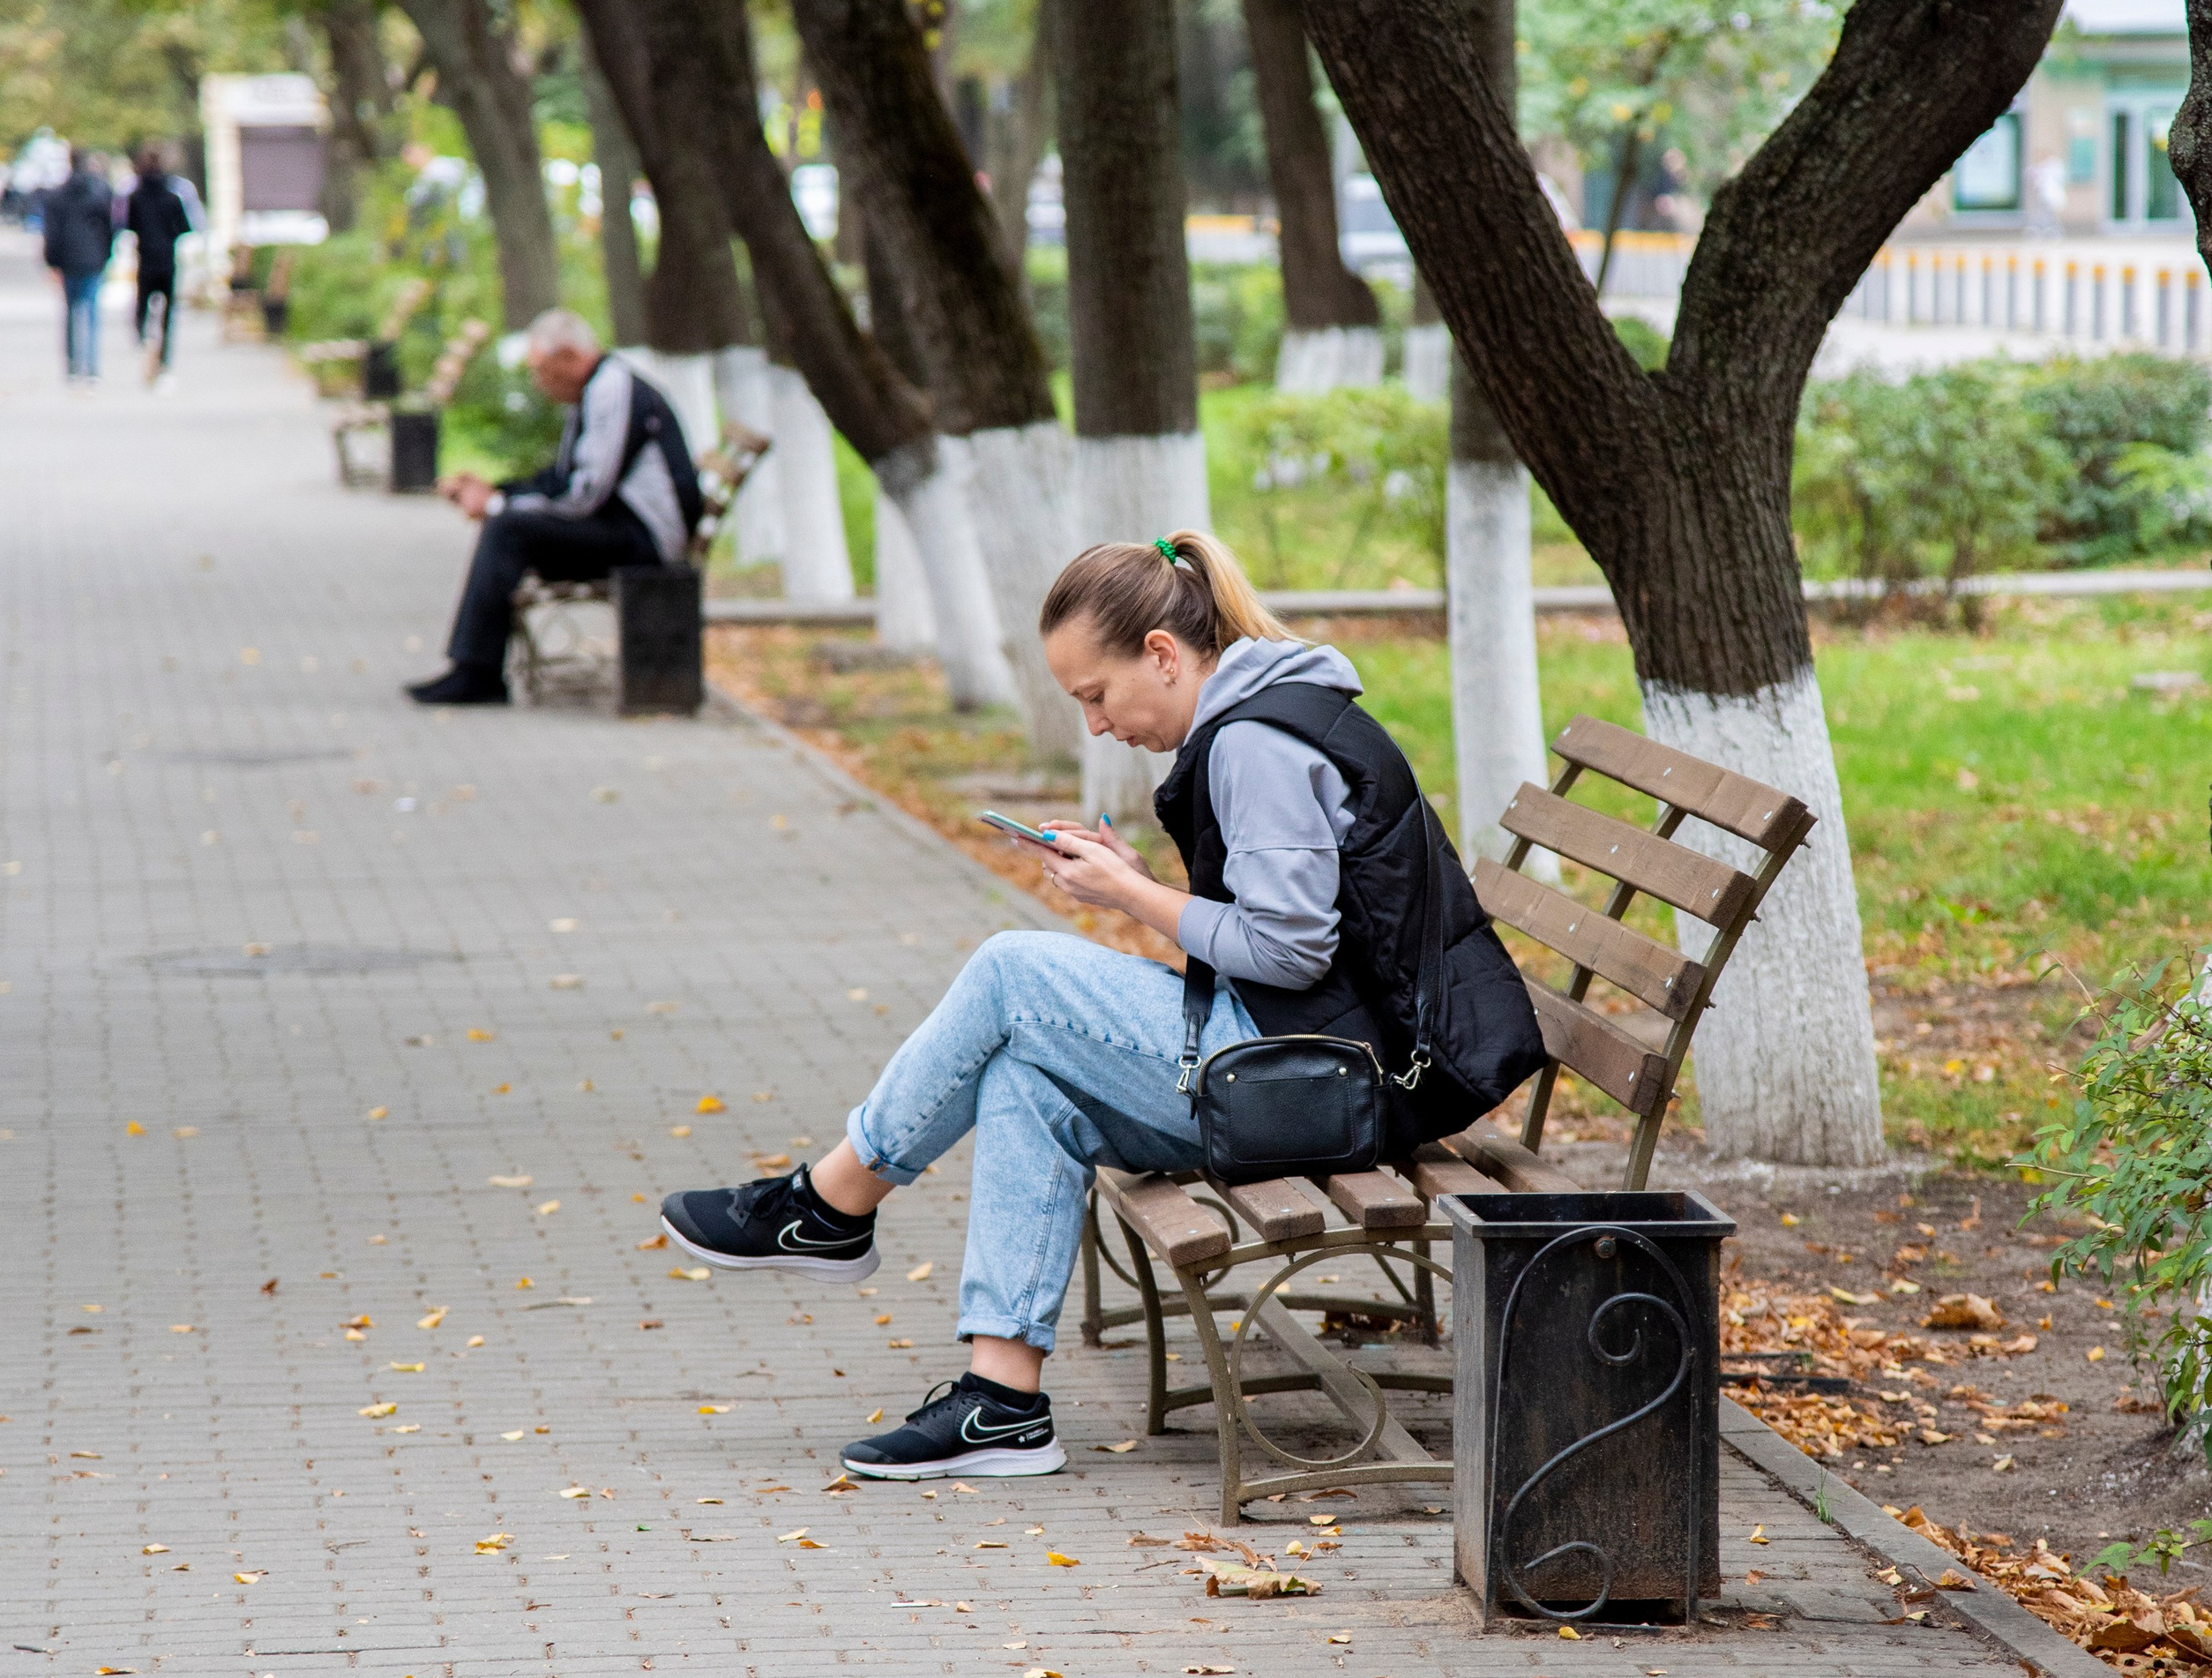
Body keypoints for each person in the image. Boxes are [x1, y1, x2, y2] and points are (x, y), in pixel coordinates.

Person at [661, 529, 1544, 1480]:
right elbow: (1280, 930)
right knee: (1025, 1073)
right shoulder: (1269, 714)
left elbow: (1289, 953)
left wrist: (1128, 895)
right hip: (1315, 1056)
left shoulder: (1256, 742)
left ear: (1161, 655)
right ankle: (1001, 1402)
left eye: (1095, 695)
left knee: (1012, 970)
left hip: (1332, 1079)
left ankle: (829, 1203)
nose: (1094, 724)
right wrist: (1135, 877)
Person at [406, 307, 702, 708]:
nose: (537, 381)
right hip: (621, 528)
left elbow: (585, 493)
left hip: (645, 541)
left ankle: (477, 672)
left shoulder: (612, 389)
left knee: (508, 527)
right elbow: (565, 478)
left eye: (541, 369)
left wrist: (497, 503)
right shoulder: (593, 390)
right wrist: (500, 492)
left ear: (570, 356)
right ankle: (476, 669)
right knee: (509, 525)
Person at [41, 146, 117, 382]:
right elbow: (109, 228)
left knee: (71, 311)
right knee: (92, 312)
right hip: (93, 258)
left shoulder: (57, 196)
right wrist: (106, 254)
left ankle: (73, 364)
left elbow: (51, 233)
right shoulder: (99, 194)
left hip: (68, 260)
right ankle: (92, 366)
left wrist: (52, 261)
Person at [126, 149, 192, 385]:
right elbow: (185, 227)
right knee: (167, 313)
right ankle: (164, 356)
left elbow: (129, 226)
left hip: (145, 260)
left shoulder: (136, 198)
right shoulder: (172, 198)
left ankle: (143, 340)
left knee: (143, 305)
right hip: (167, 261)